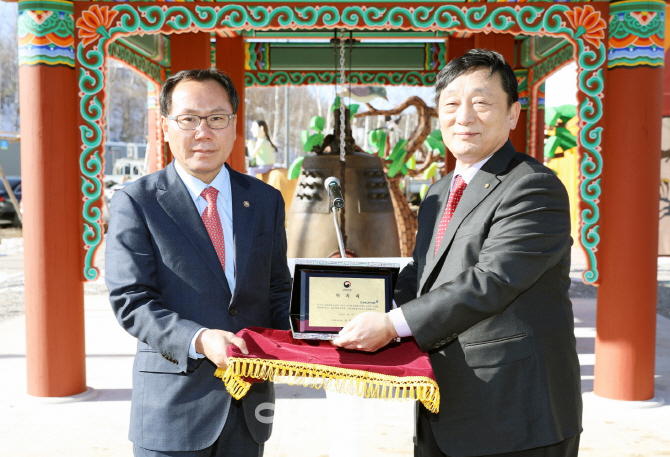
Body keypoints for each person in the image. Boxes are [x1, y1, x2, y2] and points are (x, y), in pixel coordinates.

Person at [333, 49, 582, 457]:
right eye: (450, 104)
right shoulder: (438, 192)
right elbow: (421, 276)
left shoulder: (533, 187)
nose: (463, 117)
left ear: (513, 114)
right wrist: (352, 293)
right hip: (441, 404)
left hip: (514, 414)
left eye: (481, 103)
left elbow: (492, 280)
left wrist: (391, 324)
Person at [105, 68, 291, 457]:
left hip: (248, 407)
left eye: (216, 119)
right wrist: (200, 339)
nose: (203, 132)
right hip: (172, 408)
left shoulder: (264, 200)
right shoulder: (136, 202)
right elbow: (131, 300)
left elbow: (276, 287)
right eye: (188, 119)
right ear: (166, 125)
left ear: (234, 125)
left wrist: (315, 326)